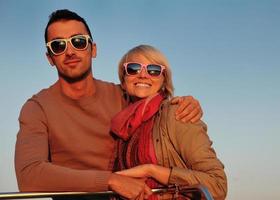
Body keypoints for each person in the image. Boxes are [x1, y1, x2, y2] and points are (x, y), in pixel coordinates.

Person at [14, 9, 203, 199]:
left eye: (78, 41)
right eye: (58, 45)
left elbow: (157, 105)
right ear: (50, 58)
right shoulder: (37, 108)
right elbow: (29, 176)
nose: (70, 51)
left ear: (93, 49)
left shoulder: (124, 96)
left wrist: (186, 103)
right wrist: (109, 181)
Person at [110, 45, 227, 200]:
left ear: (164, 80)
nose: (143, 75)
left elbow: (217, 184)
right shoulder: (120, 124)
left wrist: (151, 171)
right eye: (133, 68)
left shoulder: (178, 113)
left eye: (153, 70)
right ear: (123, 81)